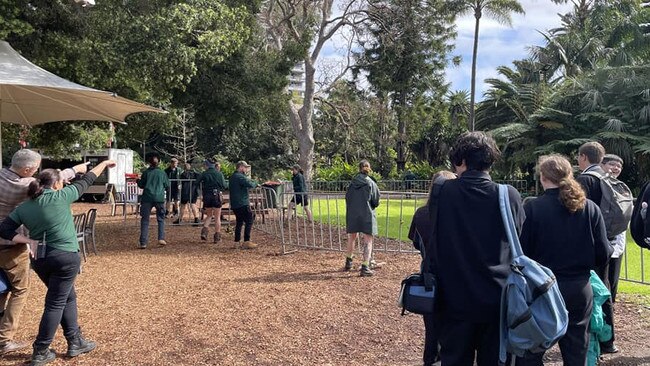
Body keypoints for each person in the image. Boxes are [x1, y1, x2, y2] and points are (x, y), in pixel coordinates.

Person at [0, 159, 116, 365]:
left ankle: (75, 340)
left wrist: (28, 240)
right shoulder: (61, 196)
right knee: (55, 302)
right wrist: (105, 163)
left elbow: (4, 229)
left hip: (41, 260)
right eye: (60, 182)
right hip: (65, 257)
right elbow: (88, 179)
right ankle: (41, 350)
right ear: (55, 185)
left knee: (66, 296)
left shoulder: (25, 207)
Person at [428, 132, 524, 365]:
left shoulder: (443, 192)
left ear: (460, 160)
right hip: (497, 297)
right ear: (490, 160)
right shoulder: (507, 194)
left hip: (454, 297)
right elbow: (518, 237)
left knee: (454, 359)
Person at [515, 155, 612, 366]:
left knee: (533, 349)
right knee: (576, 351)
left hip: (542, 288)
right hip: (579, 287)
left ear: (543, 177)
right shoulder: (590, 208)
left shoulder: (532, 209)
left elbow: (522, 252)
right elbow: (604, 252)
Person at [0, 150, 85, 355]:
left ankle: (74, 339)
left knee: (2, 288)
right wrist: (75, 169)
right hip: (11, 246)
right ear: (28, 169)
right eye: (35, 169)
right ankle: (5, 339)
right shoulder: (24, 186)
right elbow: (49, 183)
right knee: (20, 290)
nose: (36, 173)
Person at [407, 170, 456, 366]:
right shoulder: (457, 216)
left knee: (432, 329)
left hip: (429, 278)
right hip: (456, 278)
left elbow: (416, 242)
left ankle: (430, 360)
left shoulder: (421, 214)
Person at [575, 141, 618, 354]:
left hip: (588, 244)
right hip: (607, 242)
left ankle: (592, 340)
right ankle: (608, 340)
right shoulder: (607, 178)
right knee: (605, 288)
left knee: (592, 292)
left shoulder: (585, 180)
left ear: (584, 157)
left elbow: (578, 212)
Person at [344, 160, 380, 277]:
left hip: (353, 213)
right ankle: (365, 266)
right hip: (367, 213)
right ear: (369, 169)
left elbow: (347, 198)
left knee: (352, 237)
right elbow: (376, 200)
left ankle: (348, 262)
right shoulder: (371, 183)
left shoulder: (352, 183)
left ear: (359, 168)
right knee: (368, 240)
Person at [600, 154, 625, 303]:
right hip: (603, 238)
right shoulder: (599, 184)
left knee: (613, 277)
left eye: (619, 166)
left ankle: (611, 306)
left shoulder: (621, 186)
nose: (615, 168)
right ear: (602, 165)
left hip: (618, 238)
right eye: (612, 164)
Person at [138, 153, 170, 249]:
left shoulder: (146, 173)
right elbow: (167, 186)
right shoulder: (162, 173)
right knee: (160, 219)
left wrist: (137, 181)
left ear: (149, 163)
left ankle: (143, 242)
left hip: (147, 198)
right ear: (159, 162)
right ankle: (161, 238)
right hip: (159, 198)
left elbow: (141, 185)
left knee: (145, 220)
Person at [229, 161, 258, 249]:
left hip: (235, 204)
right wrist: (256, 183)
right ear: (241, 167)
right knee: (249, 220)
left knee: (239, 222)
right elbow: (250, 184)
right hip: (242, 203)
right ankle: (246, 241)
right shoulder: (240, 177)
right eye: (245, 167)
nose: (246, 169)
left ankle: (236, 242)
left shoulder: (233, 177)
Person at [198, 160, 228, 243]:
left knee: (209, 215)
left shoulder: (204, 173)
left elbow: (196, 182)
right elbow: (224, 186)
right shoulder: (219, 173)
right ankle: (217, 237)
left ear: (207, 165)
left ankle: (204, 232)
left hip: (207, 196)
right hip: (216, 196)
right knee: (217, 217)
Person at [174, 162, 200, 226]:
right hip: (193, 191)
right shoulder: (195, 174)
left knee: (182, 206)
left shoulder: (183, 174)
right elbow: (199, 176)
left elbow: (180, 181)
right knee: (193, 205)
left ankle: (180, 219)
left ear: (184, 168)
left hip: (185, 192)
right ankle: (196, 219)